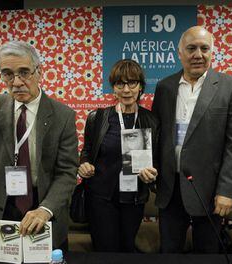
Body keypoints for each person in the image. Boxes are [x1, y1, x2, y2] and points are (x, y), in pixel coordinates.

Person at [0, 41, 78, 250]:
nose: (17, 82)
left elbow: (67, 172)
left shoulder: (62, 115)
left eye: (24, 72)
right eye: (8, 74)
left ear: (39, 72)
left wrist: (46, 209)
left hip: (44, 203)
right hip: (4, 204)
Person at [152, 26, 232, 253]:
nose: (198, 54)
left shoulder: (230, 86)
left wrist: (226, 191)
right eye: (191, 48)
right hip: (170, 188)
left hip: (210, 190)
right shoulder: (164, 87)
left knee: (208, 254)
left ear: (212, 52)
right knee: (169, 253)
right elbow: (157, 135)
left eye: (204, 48)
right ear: (179, 53)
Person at [78, 59, 159, 252]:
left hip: (134, 199)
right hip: (101, 198)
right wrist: (84, 164)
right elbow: (87, 151)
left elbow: (158, 159)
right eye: (120, 83)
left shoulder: (152, 120)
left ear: (140, 87)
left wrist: (153, 173)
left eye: (132, 83)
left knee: (127, 248)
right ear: (113, 88)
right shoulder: (97, 118)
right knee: (105, 250)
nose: (126, 89)